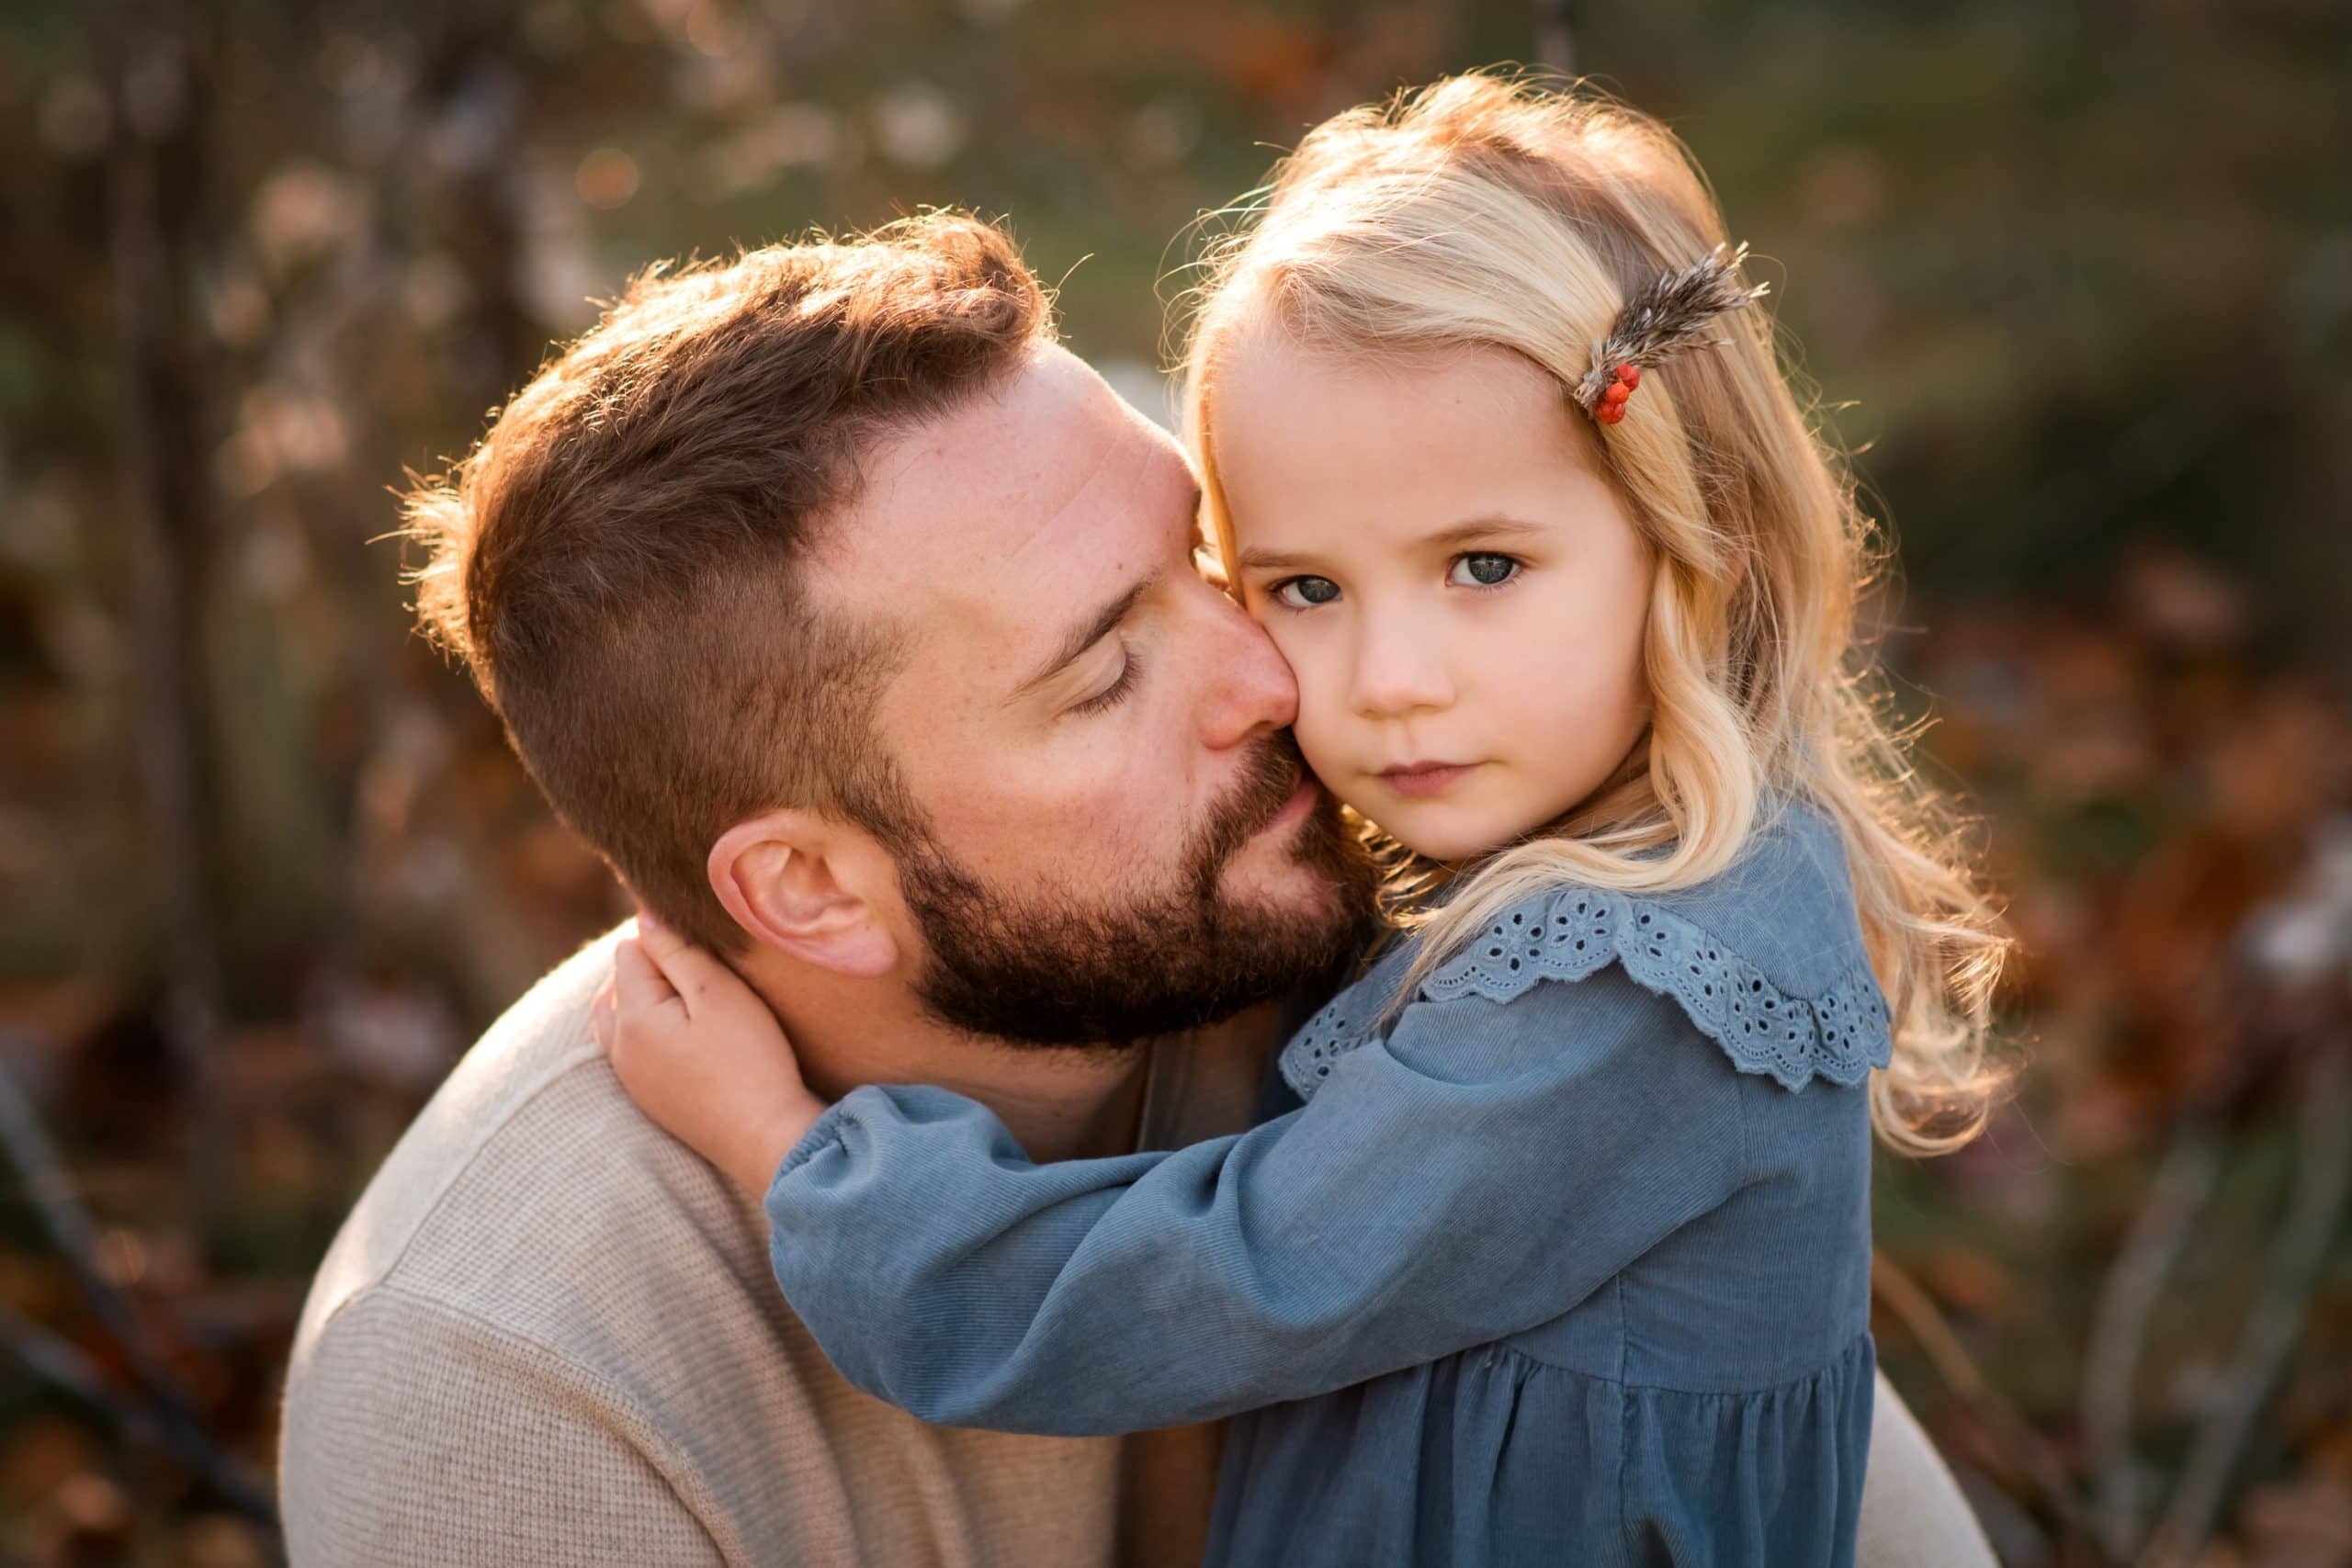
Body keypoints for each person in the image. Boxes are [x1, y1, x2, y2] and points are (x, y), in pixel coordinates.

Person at [278, 203, 1997, 1562]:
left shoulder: (1430, 940)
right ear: (807, 887)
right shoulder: (504, 1388)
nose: (1277, 685)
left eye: (1206, 566)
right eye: (1106, 673)